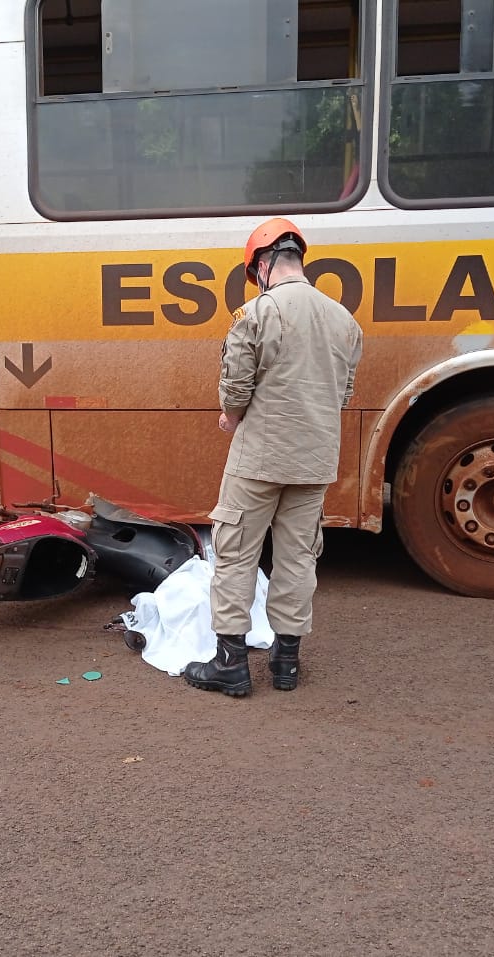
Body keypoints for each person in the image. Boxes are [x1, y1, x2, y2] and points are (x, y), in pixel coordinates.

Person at [183, 218, 363, 697]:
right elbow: (343, 393)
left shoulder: (256, 313)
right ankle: (286, 664)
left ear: (262, 266)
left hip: (259, 458)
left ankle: (231, 664)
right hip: (316, 458)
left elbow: (236, 386)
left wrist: (230, 417)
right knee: (298, 558)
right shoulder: (344, 319)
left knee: (237, 552)